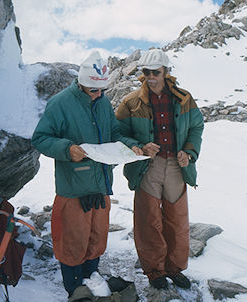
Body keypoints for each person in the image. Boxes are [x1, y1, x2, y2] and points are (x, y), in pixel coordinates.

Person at [32, 51, 135, 300]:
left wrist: (131, 146)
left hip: (100, 186)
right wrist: (68, 149)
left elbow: (114, 134)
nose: (99, 95)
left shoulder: (102, 104)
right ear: (81, 83)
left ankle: (92, 281)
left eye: (102, 90)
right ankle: (74, 290)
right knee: (72, 242)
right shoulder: (60, 103)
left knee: (96, 239)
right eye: (93, 90)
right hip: (73, 188)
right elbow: (40, 138)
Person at [115, 49, 204, 290]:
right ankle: (154, 271)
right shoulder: (131, 101)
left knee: (177, 219)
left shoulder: (184, 99)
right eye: (146, 72)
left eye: (155, 72)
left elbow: (197, 126)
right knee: (148, 220)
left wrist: (190, 152)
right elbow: (117, 132)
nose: (150, 76)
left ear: (166, 72)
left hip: (177, 166)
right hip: (147, 167)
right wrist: (138, 146)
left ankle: (174, 268)